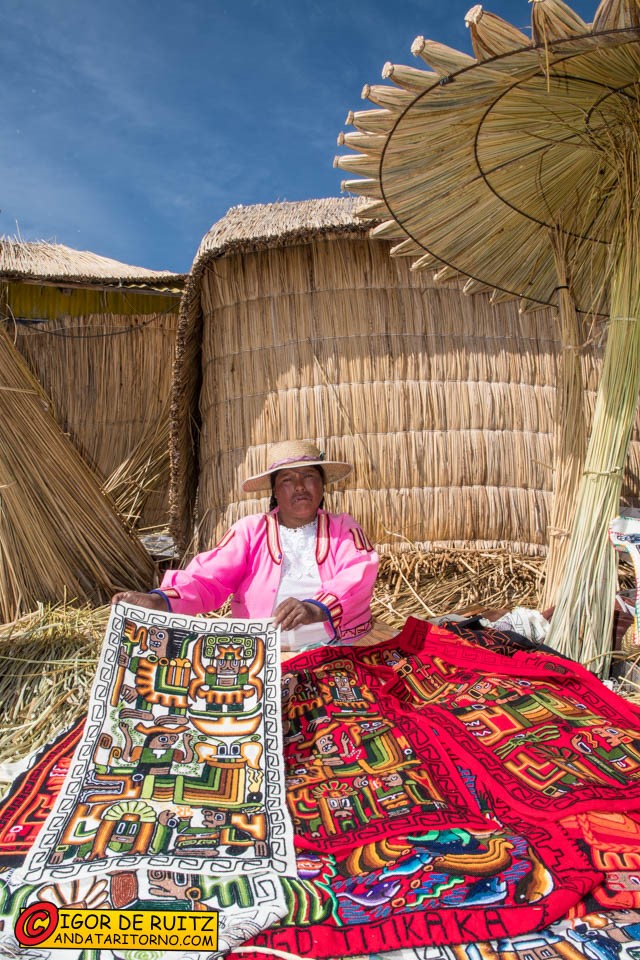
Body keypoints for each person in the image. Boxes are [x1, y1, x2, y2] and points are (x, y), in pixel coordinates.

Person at [113, 440, 379, 652]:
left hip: (339, 647)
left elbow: (357, 575)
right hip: (260, 652)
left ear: (322, 486)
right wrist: (159, 600)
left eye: (309, 476)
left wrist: (314, 609)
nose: (299, 486)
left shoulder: (344, 528)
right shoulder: (250, 531)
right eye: (287, 480)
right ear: (274, 491)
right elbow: (208, 579)